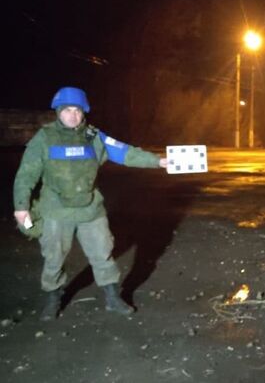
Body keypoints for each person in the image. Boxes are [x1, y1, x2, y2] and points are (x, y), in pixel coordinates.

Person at [12, 86, 169, 321]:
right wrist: (21, 206)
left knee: (103, 253)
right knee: (54, 256)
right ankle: (53, 298)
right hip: (56, 210)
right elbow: (26, 174)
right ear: (58, 111)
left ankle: (113, 297)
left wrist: (158, 161)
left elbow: (126, 153)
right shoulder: (44, 138)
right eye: (67, 110)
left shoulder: (94, 137)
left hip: (90, 208)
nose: (72, 115)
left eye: (77, 110)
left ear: (83, 112)